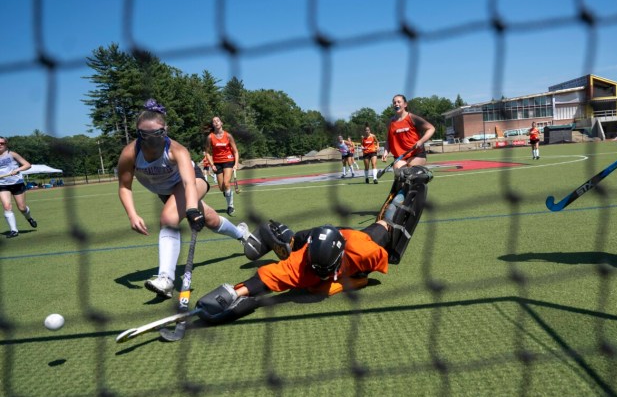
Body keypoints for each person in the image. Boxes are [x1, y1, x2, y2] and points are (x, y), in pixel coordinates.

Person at [194, 165, 434, 324]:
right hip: (308, 239)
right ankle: (272, 234)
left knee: (388, 225)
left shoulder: (363, 249)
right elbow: (265, 279)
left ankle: (407, 182)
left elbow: (382, 238)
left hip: (349, 239)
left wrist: (405, 190)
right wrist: (231, 294)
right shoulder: (301, 265)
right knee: (292, 242)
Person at [117, 100, 251, 298]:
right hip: (167, 192)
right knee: (211, 219)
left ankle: (166, 279)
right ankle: (242, 235)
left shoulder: (176, 150)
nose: (151, 140)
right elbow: (124, 187)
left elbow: (189, 184)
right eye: (144, 135)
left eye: (157, 134)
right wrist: (132, 215)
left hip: (193, 182)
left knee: (168, 219)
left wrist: (191, 210)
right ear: (138, 132)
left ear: (165, 130)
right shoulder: (130, 153)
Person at [382, 94, 435, 171]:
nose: (396, 104)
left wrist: (420, 141)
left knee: (411, 174)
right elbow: (388, 140)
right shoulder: (390, 122)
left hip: (416, 154)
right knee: (400, 176)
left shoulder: (412, 118)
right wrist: (386, 152)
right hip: (399, 156)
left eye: (399, 102)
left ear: (405, 104)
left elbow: (431, 128)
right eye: (394, 102)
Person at [0, 138, 37, 238]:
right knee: (7, 206)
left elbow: (27, 165)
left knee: (22, 208)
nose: (0, 145)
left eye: (2, 143)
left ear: (6, 144)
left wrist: (18, 169)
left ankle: (29, 218)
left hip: (16, 183)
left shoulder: (12, 154)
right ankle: (14, 230)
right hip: (2, 185)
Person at [205, 116, 239, 216]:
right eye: (214, 121)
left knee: (226, 183)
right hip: (217, 163)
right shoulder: (210, 137)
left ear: (221, 123)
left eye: (218, 120)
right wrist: (212, 164)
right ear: (213, 125)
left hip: (229, 160)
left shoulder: (228, 136)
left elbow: (236, 151)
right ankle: (226, 192)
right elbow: (207, 152)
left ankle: (230, 206)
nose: (216, 122)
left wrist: (236, 164)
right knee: (221, 187)